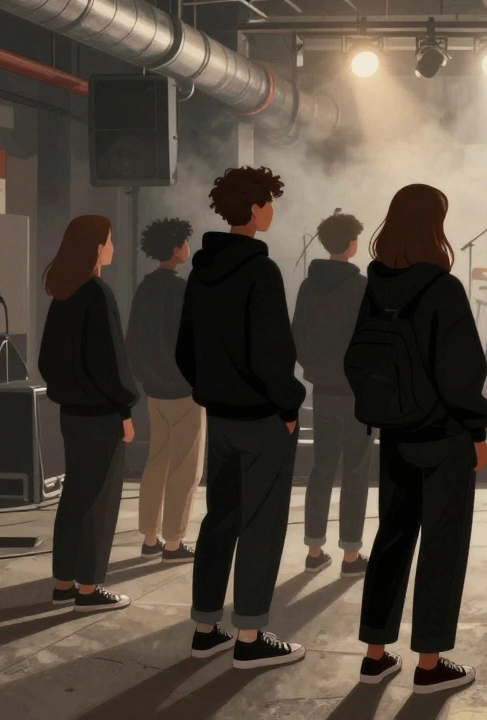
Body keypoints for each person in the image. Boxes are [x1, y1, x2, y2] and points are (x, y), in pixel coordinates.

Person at [350, 184, 487, 691]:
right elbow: (462, 371)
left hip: (394, 434)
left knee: (391, 538)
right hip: (444, 436)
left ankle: (375, 654)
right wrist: (477, 426)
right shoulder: (442, 289)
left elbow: (357, 358)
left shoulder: (374, 286)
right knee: (442, 546)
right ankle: (430, 666)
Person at [176, 166, 307, 669]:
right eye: (269, 203)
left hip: (221, 417)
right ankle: (250, 638)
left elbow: (185, 349)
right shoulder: (261, 271)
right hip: (263, 418)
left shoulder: (200, 273)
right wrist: (289, 404)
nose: (272, 211)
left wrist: (211, 388)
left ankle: (206, 627)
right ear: (253, 210)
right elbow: (273, 354)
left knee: (220, 518)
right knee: (261, 524)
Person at [39, 215, 139, 613]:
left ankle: (63, 583)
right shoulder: (98, 293)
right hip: (101, 415)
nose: (113, 246)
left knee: (74, 498)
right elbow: (112, 363)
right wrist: (125, 408)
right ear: (97, 247)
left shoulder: (62, 293)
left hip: (71, 414)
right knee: (100, 503)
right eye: (110, 240)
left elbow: (47, 361)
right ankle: (89, 589)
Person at [291, 211, 371, 578]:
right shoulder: (362, 287)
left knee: (321, 468)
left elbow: (298, 337)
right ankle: (351, 557)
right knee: (356, 471)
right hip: (358, 395)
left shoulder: (309, 287)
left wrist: (314, 370)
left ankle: (313, 549)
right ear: (352, 244)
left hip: (321, 392)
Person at [127, 218, 202, 566]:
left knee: (156, 461)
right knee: (185, 468)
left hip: (154, 391)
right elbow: (193, 341)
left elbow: (134, 341)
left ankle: (148, 537)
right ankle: (173, 543)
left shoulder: (144, 288)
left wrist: (145, 377)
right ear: (176, 249)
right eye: (185, 243)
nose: (188, 248)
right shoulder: (183, 290)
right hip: (185, 391)